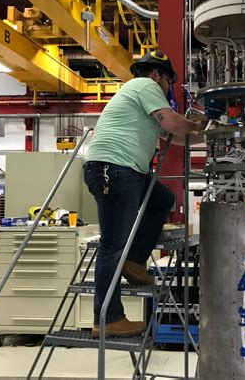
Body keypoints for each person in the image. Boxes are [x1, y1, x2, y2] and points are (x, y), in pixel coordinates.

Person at [83, 50, 204, 338]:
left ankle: (134, 259)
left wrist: (208, 130)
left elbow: (176, 136)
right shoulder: (144, 86)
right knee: (113, 243)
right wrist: (201, 123)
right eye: (167, 82)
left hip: (128, 171)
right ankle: (107, 317)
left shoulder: (144, 106)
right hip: (114, 168)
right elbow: (175, 124)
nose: (166, 89)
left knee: (162, 199)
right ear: (156, 75)